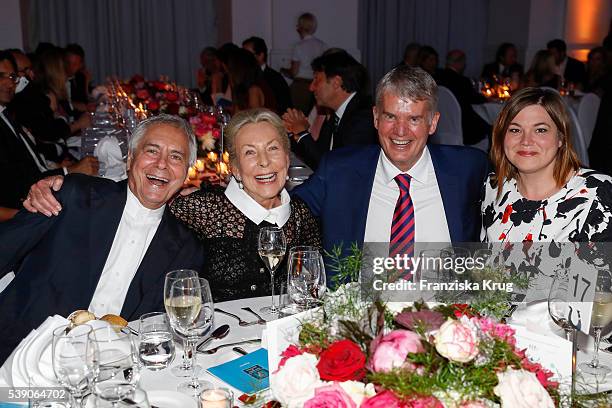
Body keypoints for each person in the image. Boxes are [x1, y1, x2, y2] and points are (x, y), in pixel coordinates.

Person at [25, 109, 321, 303]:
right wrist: (54, 187)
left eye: (273, 149)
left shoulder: (303, 216)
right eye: (250, 153)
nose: (265, 162)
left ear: (288, 156)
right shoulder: (199, 210)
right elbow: (141, 205)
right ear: (233, 166)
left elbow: (313, 291)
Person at [0, 114, 205, 364]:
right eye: (152, 151)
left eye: (176, 157)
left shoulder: (187, 248)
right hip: (21, 358)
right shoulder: (74, 197)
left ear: (186, 172)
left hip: (112, 374)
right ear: (130, 158)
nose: (162, 164)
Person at [292, 66, 489, 266]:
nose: (400, 131)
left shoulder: (468, 168)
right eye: (390, 117)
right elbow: (285, 212)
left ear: (433, 123)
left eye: (414, 119)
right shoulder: (339, 171)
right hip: (360, 296)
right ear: (376, 117)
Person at [481, 87, 612, 243]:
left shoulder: (598, 194)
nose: (526, 141)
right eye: (515, 130)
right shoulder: (492, 189)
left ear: (560, 139)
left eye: (540, 130)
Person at [0, 50, 97, 219]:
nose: (9, 83)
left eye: (12, 77)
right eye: (1, 76)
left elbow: (28, 166)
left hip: (39, 198)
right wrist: (67, 171)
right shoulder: (19, 107)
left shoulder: (5, 113)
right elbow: (16, 185)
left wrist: (61, 168)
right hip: (28, 212)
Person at [282, 51, 378, 170]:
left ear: (336, 83)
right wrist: (294, 132)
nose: (311, 87)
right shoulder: (336, 114)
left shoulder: (363, 117)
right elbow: (315, 157)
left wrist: (302, 133)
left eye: (317, 80)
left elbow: (335, 168)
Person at [8, 47, 91, 162]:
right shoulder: (37, 97)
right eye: (25, 70)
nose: (31, 75)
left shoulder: (40, 94)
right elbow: (50, 135)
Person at [436, 50, 491, 145]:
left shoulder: (436, 77)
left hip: (440, 127)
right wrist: (488, 99)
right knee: (491, 126)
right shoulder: (462, 81)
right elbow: (476, 99)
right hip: (465, 128)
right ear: (460, 63)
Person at [281, 12, 327, 115]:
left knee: (298, 116)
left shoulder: (299, 46)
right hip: (318, 84)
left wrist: (283, 70)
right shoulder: (322, 45)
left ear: (300, 27)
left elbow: (294, 72)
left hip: (301, 86)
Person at [243, 36, 293, 114]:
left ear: (260, 56)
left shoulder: (275, 78)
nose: (244, 59)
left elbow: (284, 108)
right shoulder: (244, 76)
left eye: (248, 55)